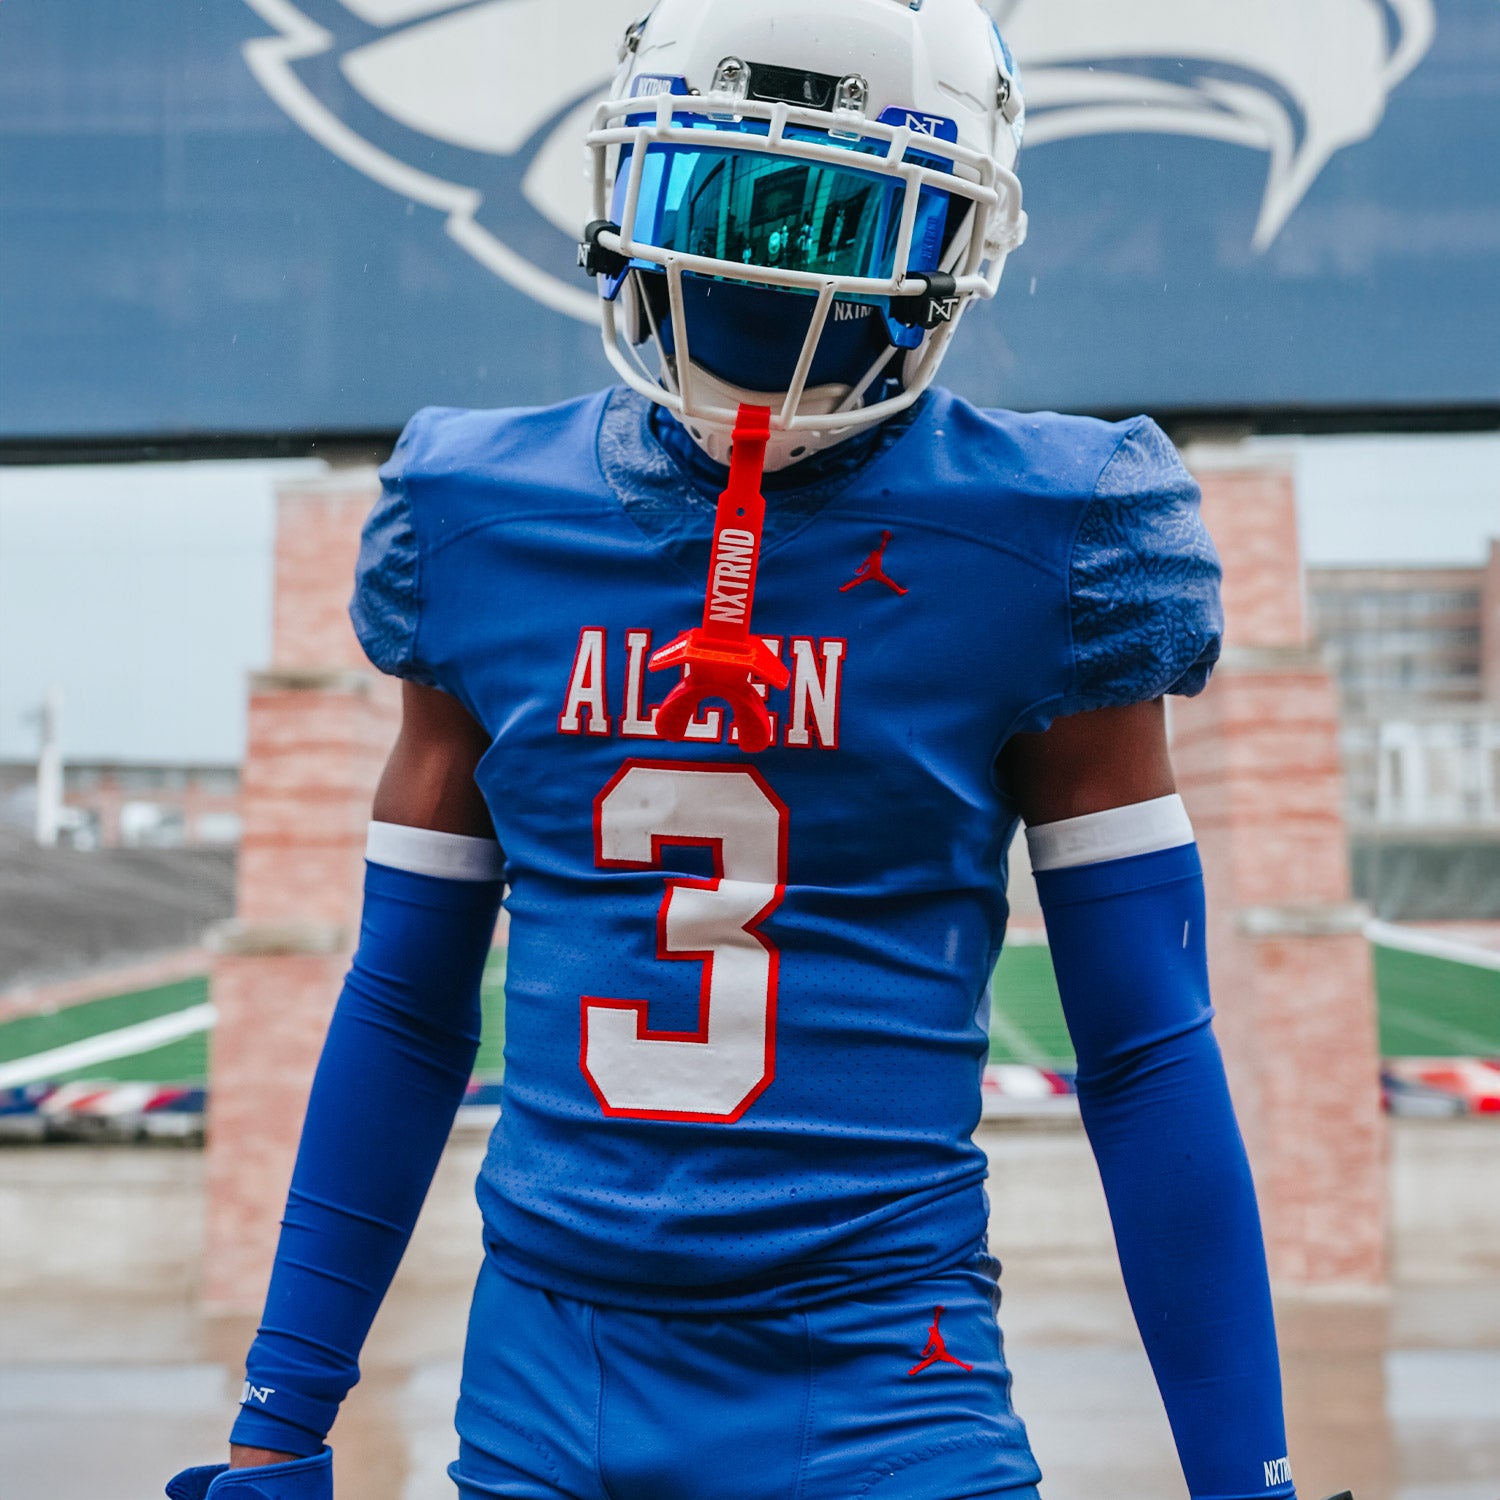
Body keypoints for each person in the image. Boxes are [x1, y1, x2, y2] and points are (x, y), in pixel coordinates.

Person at [169, 2, 1319, 1496]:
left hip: (883, 1382)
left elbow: (1146, 1049)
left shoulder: (1050, 535)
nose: (770, 268)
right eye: (720, 195)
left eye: (835, 215)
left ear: (951, 245)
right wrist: (281, 1410)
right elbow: (402, 1003)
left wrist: (1246, 1478)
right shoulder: (475, 513)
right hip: (542, 1387)